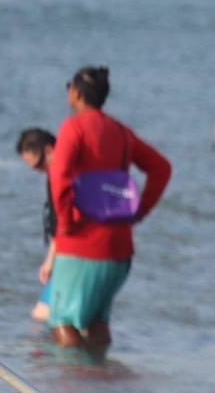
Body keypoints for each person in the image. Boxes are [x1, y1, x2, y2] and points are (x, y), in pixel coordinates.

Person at [47, 66, 173, 350]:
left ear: (76, 93)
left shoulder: (73, 128)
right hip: (120, 247)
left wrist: (65, 224)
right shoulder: (120, 130)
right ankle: (101, 381)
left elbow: (60, 178)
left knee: (62, 322)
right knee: (97, 322)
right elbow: (161, 168)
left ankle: (70, 385)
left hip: (82, 243)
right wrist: (140, 211)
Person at [17, 128, 59, 323]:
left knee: (42, 316)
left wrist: (50, 262)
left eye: (39, 165)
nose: (39, 171)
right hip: (78, 254)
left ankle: (54, 354)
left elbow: (63, 223)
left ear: (49, 150)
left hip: (74, 256)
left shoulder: (60, 175)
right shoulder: (64, 172)